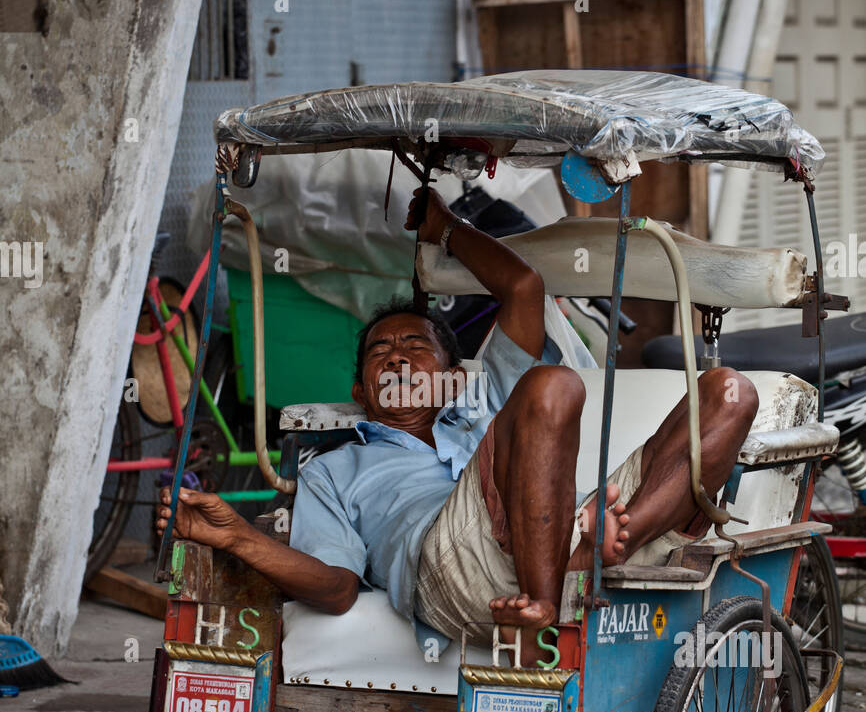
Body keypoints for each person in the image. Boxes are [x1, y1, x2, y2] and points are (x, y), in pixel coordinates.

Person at [156, 188, 758, 647]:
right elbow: (337, 589)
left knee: (729, 392)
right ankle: (546, 597)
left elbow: (523, 287)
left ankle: (608, 545)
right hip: (458, 570)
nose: (397, 355)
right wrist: (236, 535)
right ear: (361, 392)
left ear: (451, 374)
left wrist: (448, 227)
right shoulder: (334, 470)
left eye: (416, 347)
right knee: (550, 385)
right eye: (380, 353)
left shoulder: (482, 396)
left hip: (572, 533)